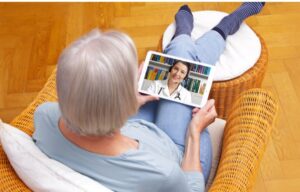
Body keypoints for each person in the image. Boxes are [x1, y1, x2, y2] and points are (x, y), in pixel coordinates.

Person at [33, 2, 265, 192]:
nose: (139, 72)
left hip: (129, 127)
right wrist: (195, 131)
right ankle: (219, 29)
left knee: (178, 61)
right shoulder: (163, 172)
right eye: (133, 73)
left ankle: (188, 33)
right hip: (176, 148)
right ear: (120, 102)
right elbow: (192, 189)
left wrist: (131, 101)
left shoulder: (44, 115)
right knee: (182, 57)